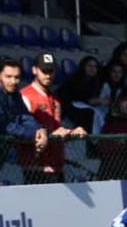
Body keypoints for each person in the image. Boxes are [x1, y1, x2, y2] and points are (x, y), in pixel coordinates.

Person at [0, 57, 46, 184]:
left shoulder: (15, 94)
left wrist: (39, 129)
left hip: (2, 153)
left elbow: (26, 117)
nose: (13, 81)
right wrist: (33, 134)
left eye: (17, 77)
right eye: (8, 76)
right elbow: (1, 124)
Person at [19, 53, 85, 183]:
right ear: (34, 70)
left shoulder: (54, 98)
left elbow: (57, 129)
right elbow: (24, 129)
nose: (48, 75)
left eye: (51, 71)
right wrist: (52, 134)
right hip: (35, 166)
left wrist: (71, 133)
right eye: (44, 71)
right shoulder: (25, 96)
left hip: (56, 165)